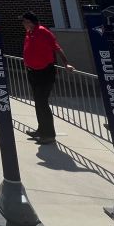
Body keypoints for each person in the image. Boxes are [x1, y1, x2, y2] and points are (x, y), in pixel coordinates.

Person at [21, 10, 74, 145]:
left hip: (45, 72)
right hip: (32, 71)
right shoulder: (29, 33)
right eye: (23, 22)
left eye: (26, 21)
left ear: (32, 22)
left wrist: (66, 63)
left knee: (42, 102)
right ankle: (41, 129)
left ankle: (49, 134)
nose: (24, 24)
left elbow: (56, 48)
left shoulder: (43, 32)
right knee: (38, 102)